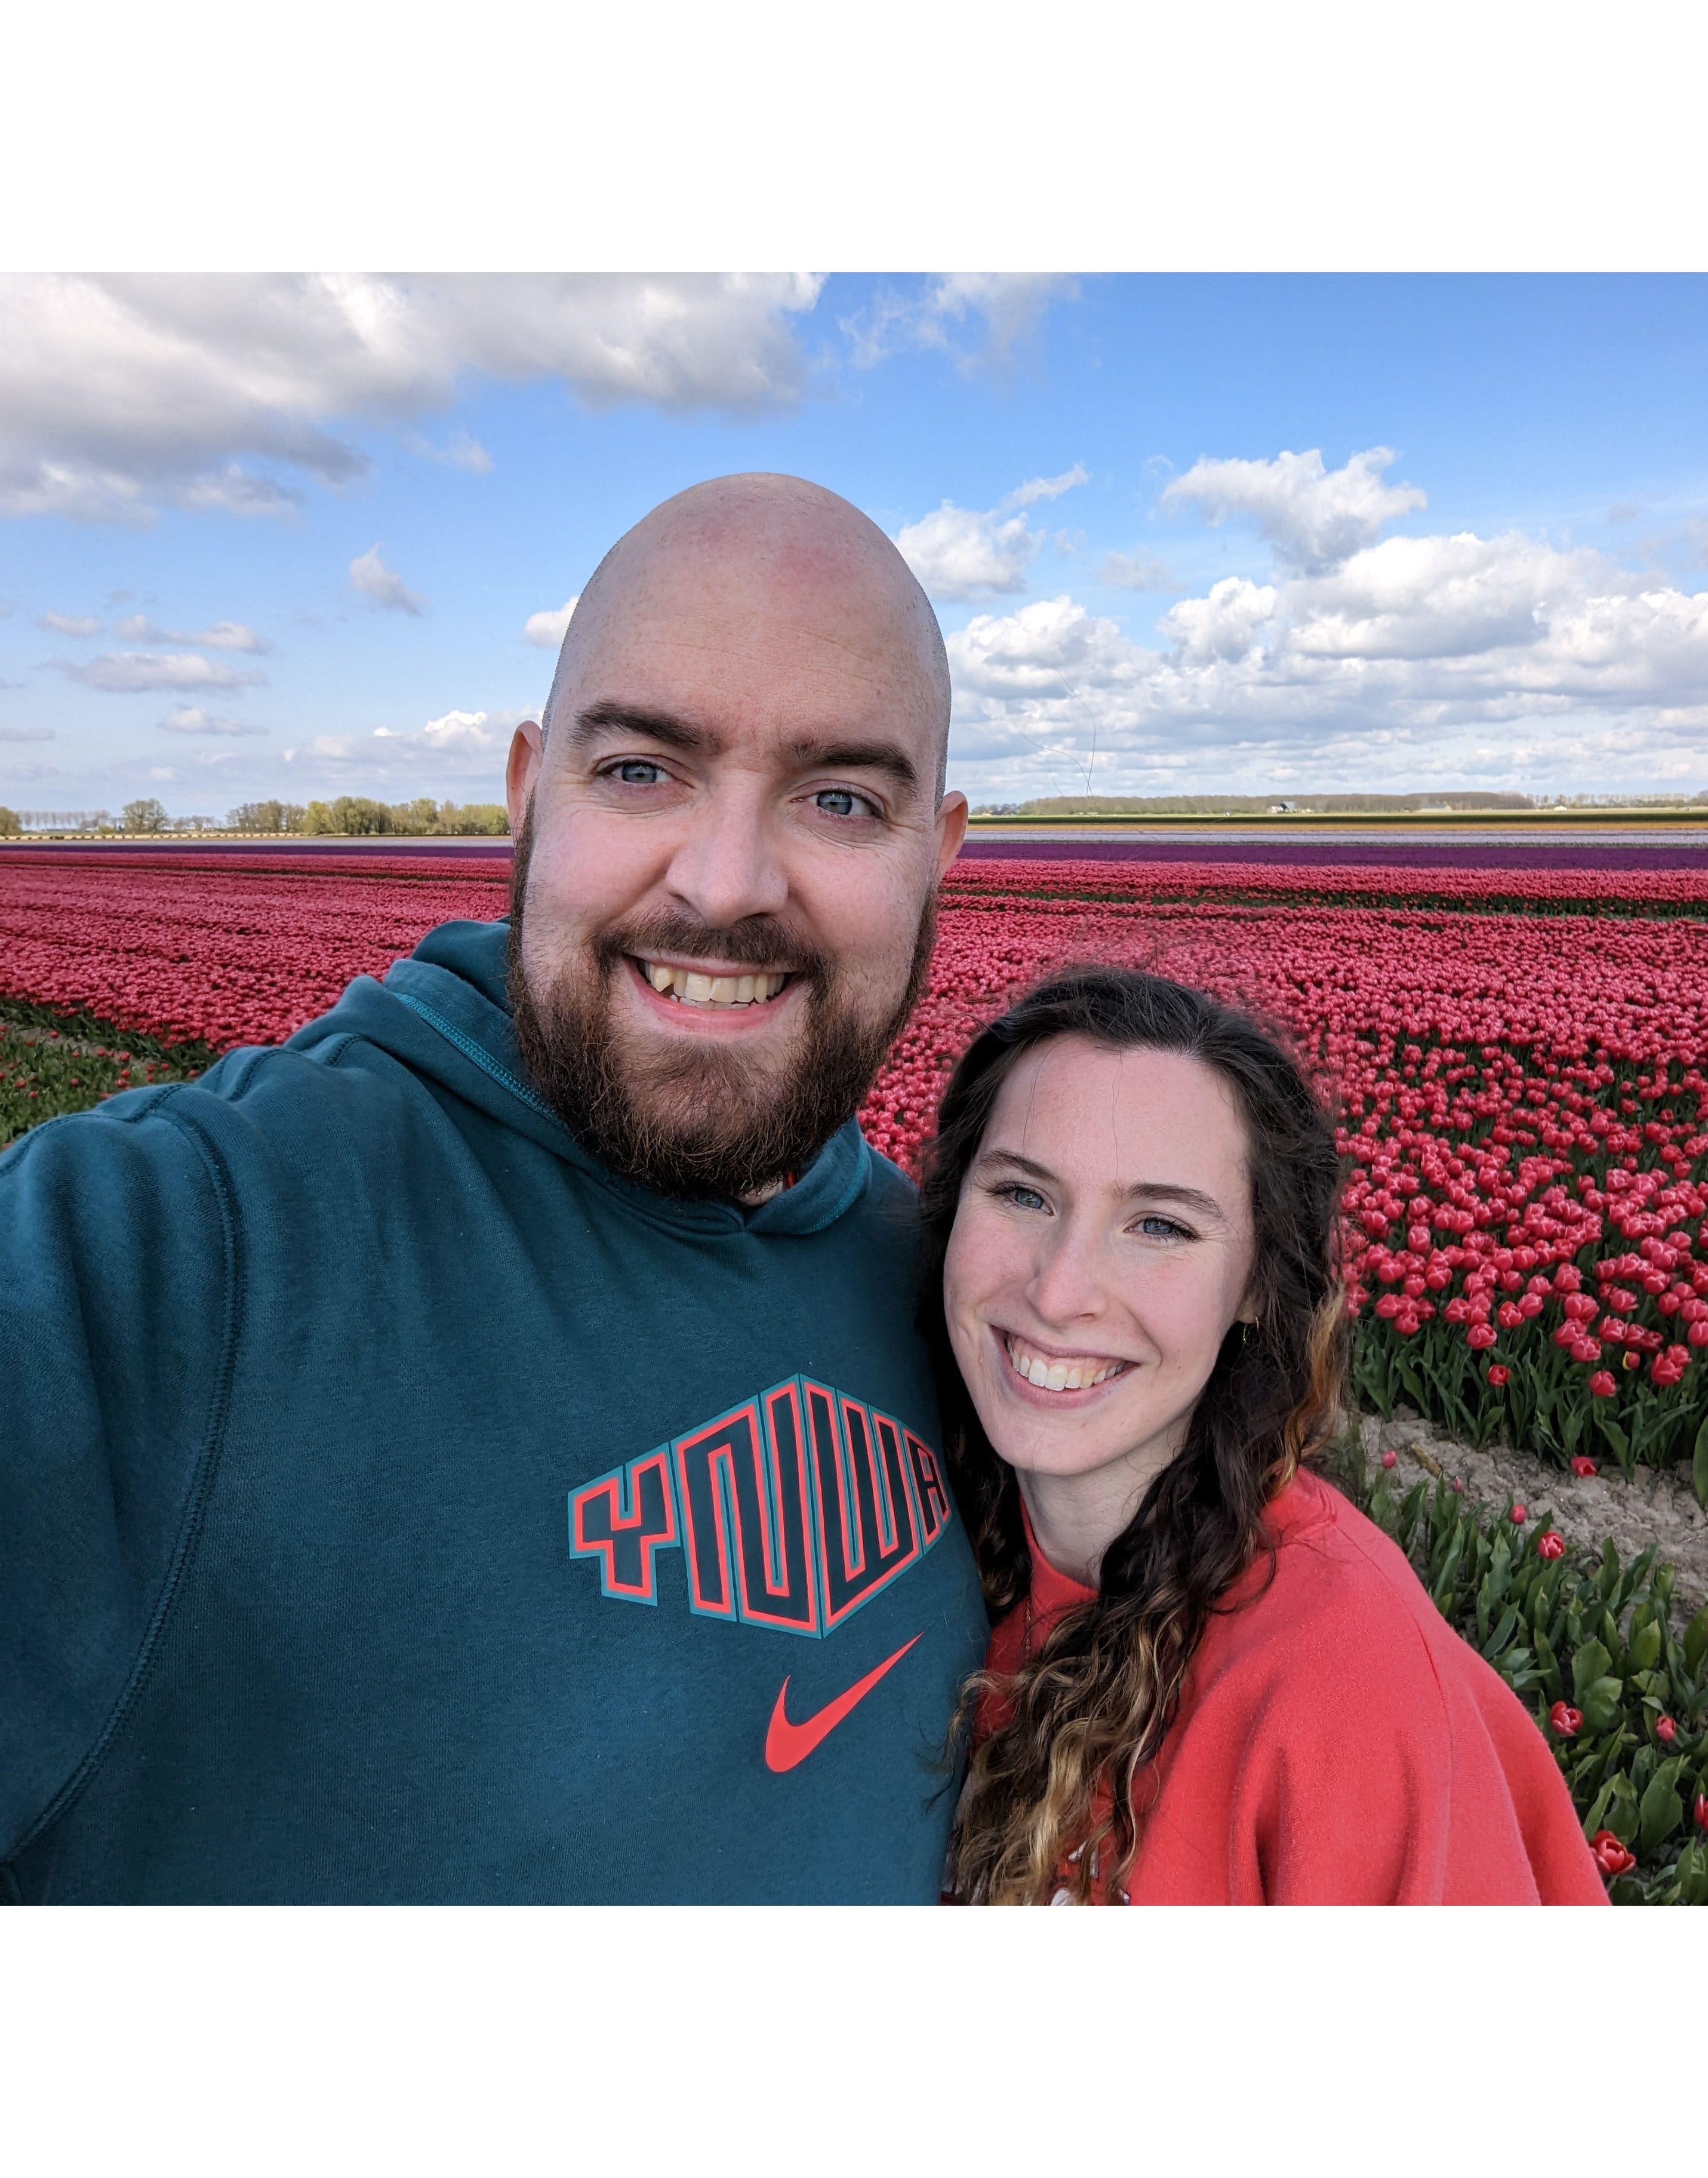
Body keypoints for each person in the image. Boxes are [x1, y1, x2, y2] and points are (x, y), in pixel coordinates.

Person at [0, 475, 988, 1903]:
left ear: (937, 857)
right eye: (642, 770)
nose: (722, 886)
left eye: (840, 799)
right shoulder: (176, 1255)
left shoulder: (961, 1295)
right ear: (529, 801)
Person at [921, 967, 1607, 1905]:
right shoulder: (899, 1543)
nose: (1057, 1290)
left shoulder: (1340, 1683)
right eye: (1023, 1195)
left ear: (1255, 1286)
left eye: (1160, 1225)